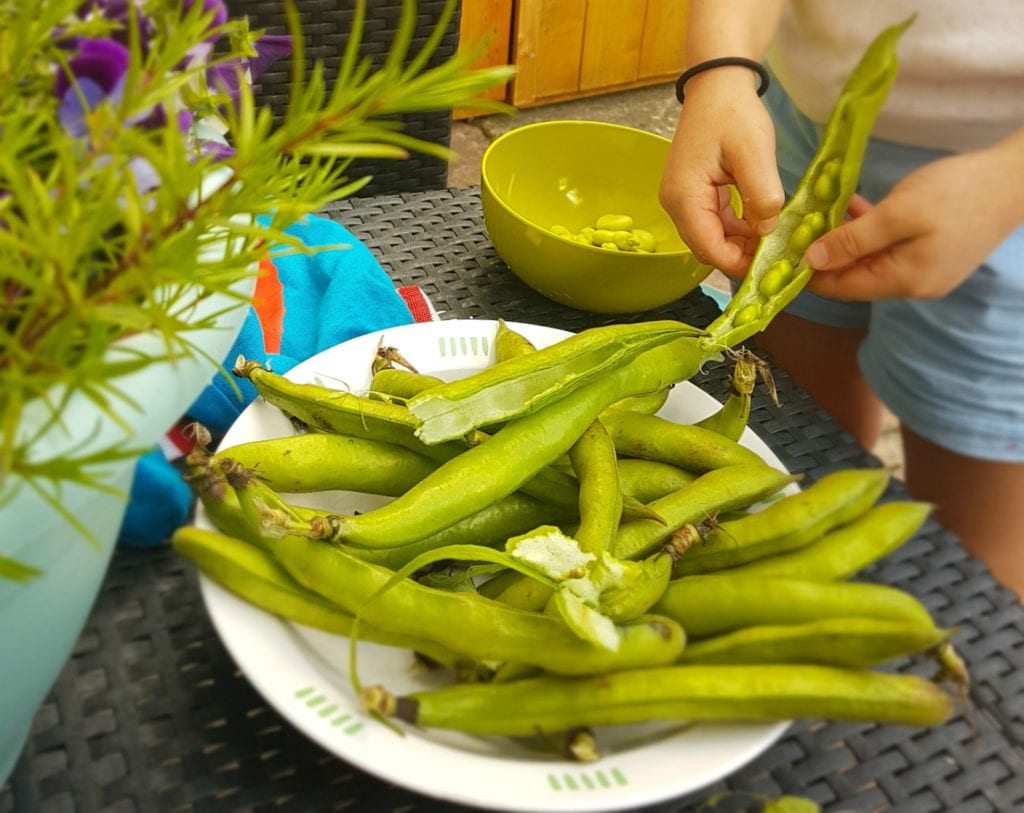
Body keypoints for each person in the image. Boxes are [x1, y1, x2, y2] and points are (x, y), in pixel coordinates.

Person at [659, 0, 1024, 599]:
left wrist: (1012, 180)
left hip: (1005, 192)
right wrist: (718, 72)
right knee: (798, 426)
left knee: (974, 564)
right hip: (798, 122)